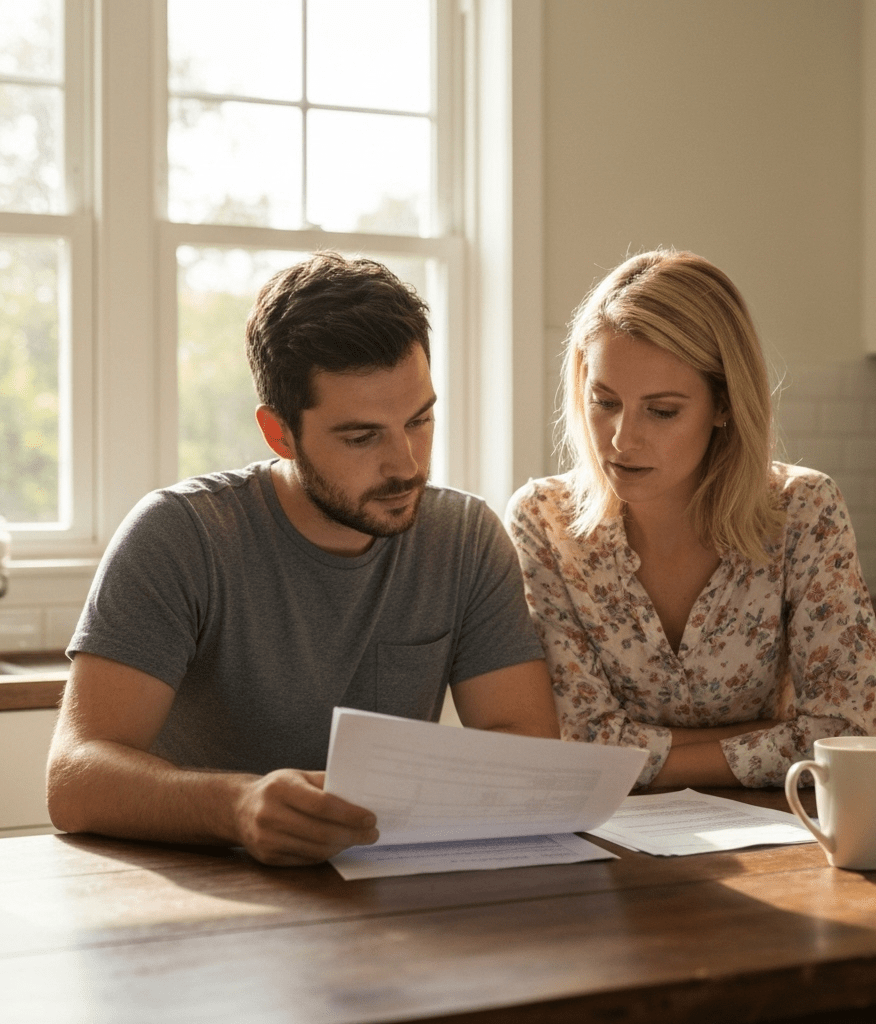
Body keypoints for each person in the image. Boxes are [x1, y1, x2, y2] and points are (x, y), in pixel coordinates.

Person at [47, 251, 558, 865]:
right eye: (361, 436)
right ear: (279, 433)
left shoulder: (466, 539)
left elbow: (528, 751)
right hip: (211, 883)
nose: (407, 464)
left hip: (382, 883)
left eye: (420, 420)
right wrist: (237, 807)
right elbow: (74, 778)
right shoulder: (180, 536)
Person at [506, 249, 876, 791]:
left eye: (662, 411)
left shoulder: (803, 510)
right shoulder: (545, 520)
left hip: (777, 825)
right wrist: (773, 737)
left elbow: (848, 732)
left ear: (724, 405)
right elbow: (580, 739)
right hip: (611, 827)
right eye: (604, 401)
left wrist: (633, 757)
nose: (622, 439)